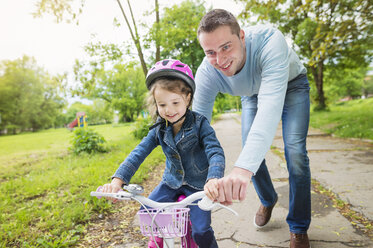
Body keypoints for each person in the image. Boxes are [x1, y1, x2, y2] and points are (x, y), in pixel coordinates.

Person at [192, 9, 311, 248]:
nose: (220, 59)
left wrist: (242, 170)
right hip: (252, 94)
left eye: (226, 47)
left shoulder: (270, 40)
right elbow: (196, 128)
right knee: (250, 145)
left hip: (291, 85)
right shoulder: (207, 72)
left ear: (242, 36)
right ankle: (268, 198)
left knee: (295, 152)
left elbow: (269, 110)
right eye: (211, 52)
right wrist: (197, 175)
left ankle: (298, 226)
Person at [99, 59, 225, 248]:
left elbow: (215, 151)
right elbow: (138, 153)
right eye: (162, 104)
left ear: (188, 98)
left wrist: (213, 179)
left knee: (201, 230)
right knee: (148, 213)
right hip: (171, 183)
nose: (169, 110)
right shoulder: (159, 129)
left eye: (175, 102)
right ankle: (157, 241)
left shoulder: (200, 124)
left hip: (199, 185)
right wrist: (117, 181)